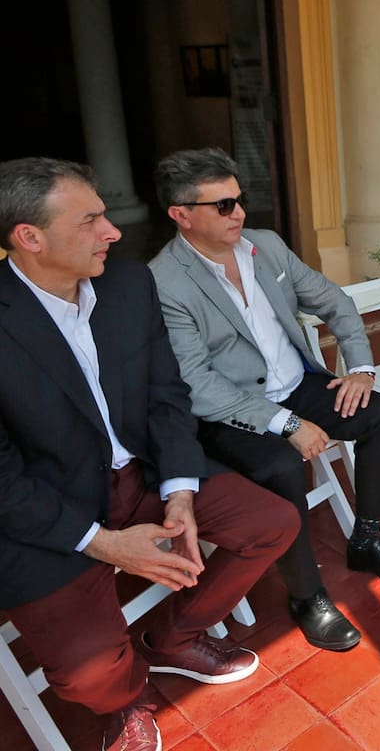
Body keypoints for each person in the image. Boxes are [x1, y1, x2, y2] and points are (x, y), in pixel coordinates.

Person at [0, 157, 299, 751]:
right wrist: (103, 543)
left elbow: (167, 395)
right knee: (86, 672)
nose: (111, 232)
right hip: (44, 510)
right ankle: (125, 699)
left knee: (273, 522)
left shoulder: (128, 285)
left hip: (142, 475)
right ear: (29, 237)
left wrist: (180, 491)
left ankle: (172, 635)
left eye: (105, 216)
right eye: (90, 221)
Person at [149, 148, 380, 655]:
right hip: (232, 411)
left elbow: (335, 302)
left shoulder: (265, 247)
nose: (239, 213)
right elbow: (195, 382)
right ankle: (307, 595)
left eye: (240, 200)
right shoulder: (165, 282)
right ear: (181, 215)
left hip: (297, 384)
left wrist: (361, 369)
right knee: (281, 467)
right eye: (224, 205)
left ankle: (367, 537)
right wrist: (284, 422)